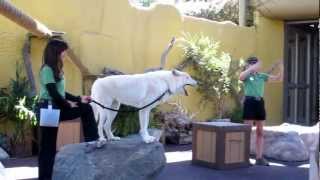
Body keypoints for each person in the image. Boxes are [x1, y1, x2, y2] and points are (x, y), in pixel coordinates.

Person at [37, 39, 100, 180]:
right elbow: (53, 93)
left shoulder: (57, 69)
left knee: (86, 107)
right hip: (48, 109)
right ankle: (44, 178)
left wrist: (78, 99)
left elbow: (62, 92)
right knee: (48, 147)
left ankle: (92, 140)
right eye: (64, 50)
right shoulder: (47, 69)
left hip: (56, 107)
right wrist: (68, 104)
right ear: (56, 52)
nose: (66, 53)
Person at [239, 56, 283, 166]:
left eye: (256, 63)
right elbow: (240, 77)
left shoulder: (262, 76)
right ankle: (244, 158)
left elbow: (278, 79)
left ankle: (259, 158)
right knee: (247, 131)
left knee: (260, 132)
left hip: (259, 103)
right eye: (252, 63)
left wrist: (281, 68)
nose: (255, 65)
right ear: (248, 65)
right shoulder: (247, 76)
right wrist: (251, 68)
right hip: (249, 102)